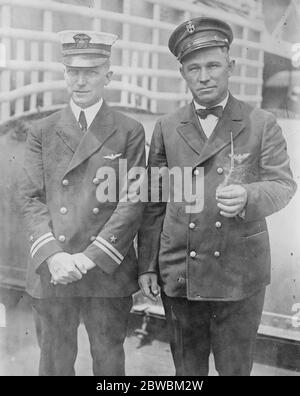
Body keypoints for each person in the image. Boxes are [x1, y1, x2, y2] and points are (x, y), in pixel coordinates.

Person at [138, 17, 297, 376]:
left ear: (231, 67)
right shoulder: (166, 126)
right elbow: (154, 203)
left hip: (238, 276)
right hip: (181, 274)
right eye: (194, 68)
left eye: (212, 66)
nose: (204, 76)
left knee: (235, 371)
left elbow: (284, 185)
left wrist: (248, 196)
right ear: (183, 73)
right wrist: (147, 265)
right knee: (187, 375)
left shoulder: (260, 123)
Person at [19, 30, 146, 376]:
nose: (80, 81)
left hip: (104, 269)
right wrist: (55, 257)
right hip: (54, 269)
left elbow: (132, 201)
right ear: (64, 74)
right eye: (73, 72)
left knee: (108, 364)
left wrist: (90, 260)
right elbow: (29, 199)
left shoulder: (128, 130)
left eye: (90, 72)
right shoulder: (41, 130)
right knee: (55, 364)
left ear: (109, 76)